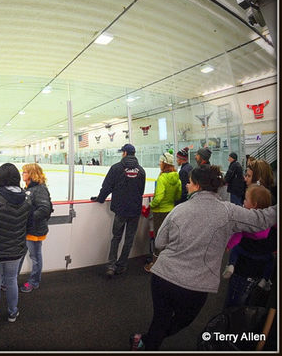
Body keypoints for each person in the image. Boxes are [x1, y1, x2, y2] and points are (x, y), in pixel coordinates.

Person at [129, 165, 277, 351]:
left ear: (198, 185)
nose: (186, 185)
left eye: (189, 182)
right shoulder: (229, 211)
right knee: (179, 322)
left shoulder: (178, 210)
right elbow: (263, 219)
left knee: (160, 320)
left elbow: (159, 243)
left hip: (163, 278)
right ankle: (146, 342)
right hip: (194, 287)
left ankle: (145, 342)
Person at [0, 163, 31, 325]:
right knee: (11, 281)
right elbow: (28, 225)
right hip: (16, 250)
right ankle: (12, 312)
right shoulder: (27, 200)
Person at [90, 143, 146, 277]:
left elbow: (107, 187)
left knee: (116, 237)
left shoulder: (116, 168)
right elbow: (141, 191)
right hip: (135, 210)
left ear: (125, 153)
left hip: (121, 210)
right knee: (129, 239)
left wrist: (100, 199)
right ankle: (122, 266)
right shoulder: (142, 171)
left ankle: (111, 266)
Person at [223, 185, 275, 307]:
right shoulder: (270, 221)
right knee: (270, 260)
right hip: (261, 260)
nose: (243, 202)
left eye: (246, 199)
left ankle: (231, 265)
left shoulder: (247, 218)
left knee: (236, 250)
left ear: (255, 204)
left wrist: (228, 245)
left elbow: (237, 234)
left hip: (245, 258)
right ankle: (265, 279)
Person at [144, 152, 181, 272]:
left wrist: (151, 205)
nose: (159, 164)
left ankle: (155, 265)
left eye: (161, 162)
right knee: (169, 238)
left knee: (159, 239)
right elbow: (178, 195)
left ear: (165, 164)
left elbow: (158, 197)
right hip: (171, 211)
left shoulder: (162, 178)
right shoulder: (177, 178)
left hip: (160, 212)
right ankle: (169, 263)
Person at [19, 163, 53, 293]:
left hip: (35, 230)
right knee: (20, 254)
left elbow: (44, 209)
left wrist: (28, 219)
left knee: (35, 257)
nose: (23, 174)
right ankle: (10, 280)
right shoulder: (28, 188)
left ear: (32, 174)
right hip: (26, 229)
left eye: (25, 172)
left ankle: (34, 282)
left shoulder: (40, 189)